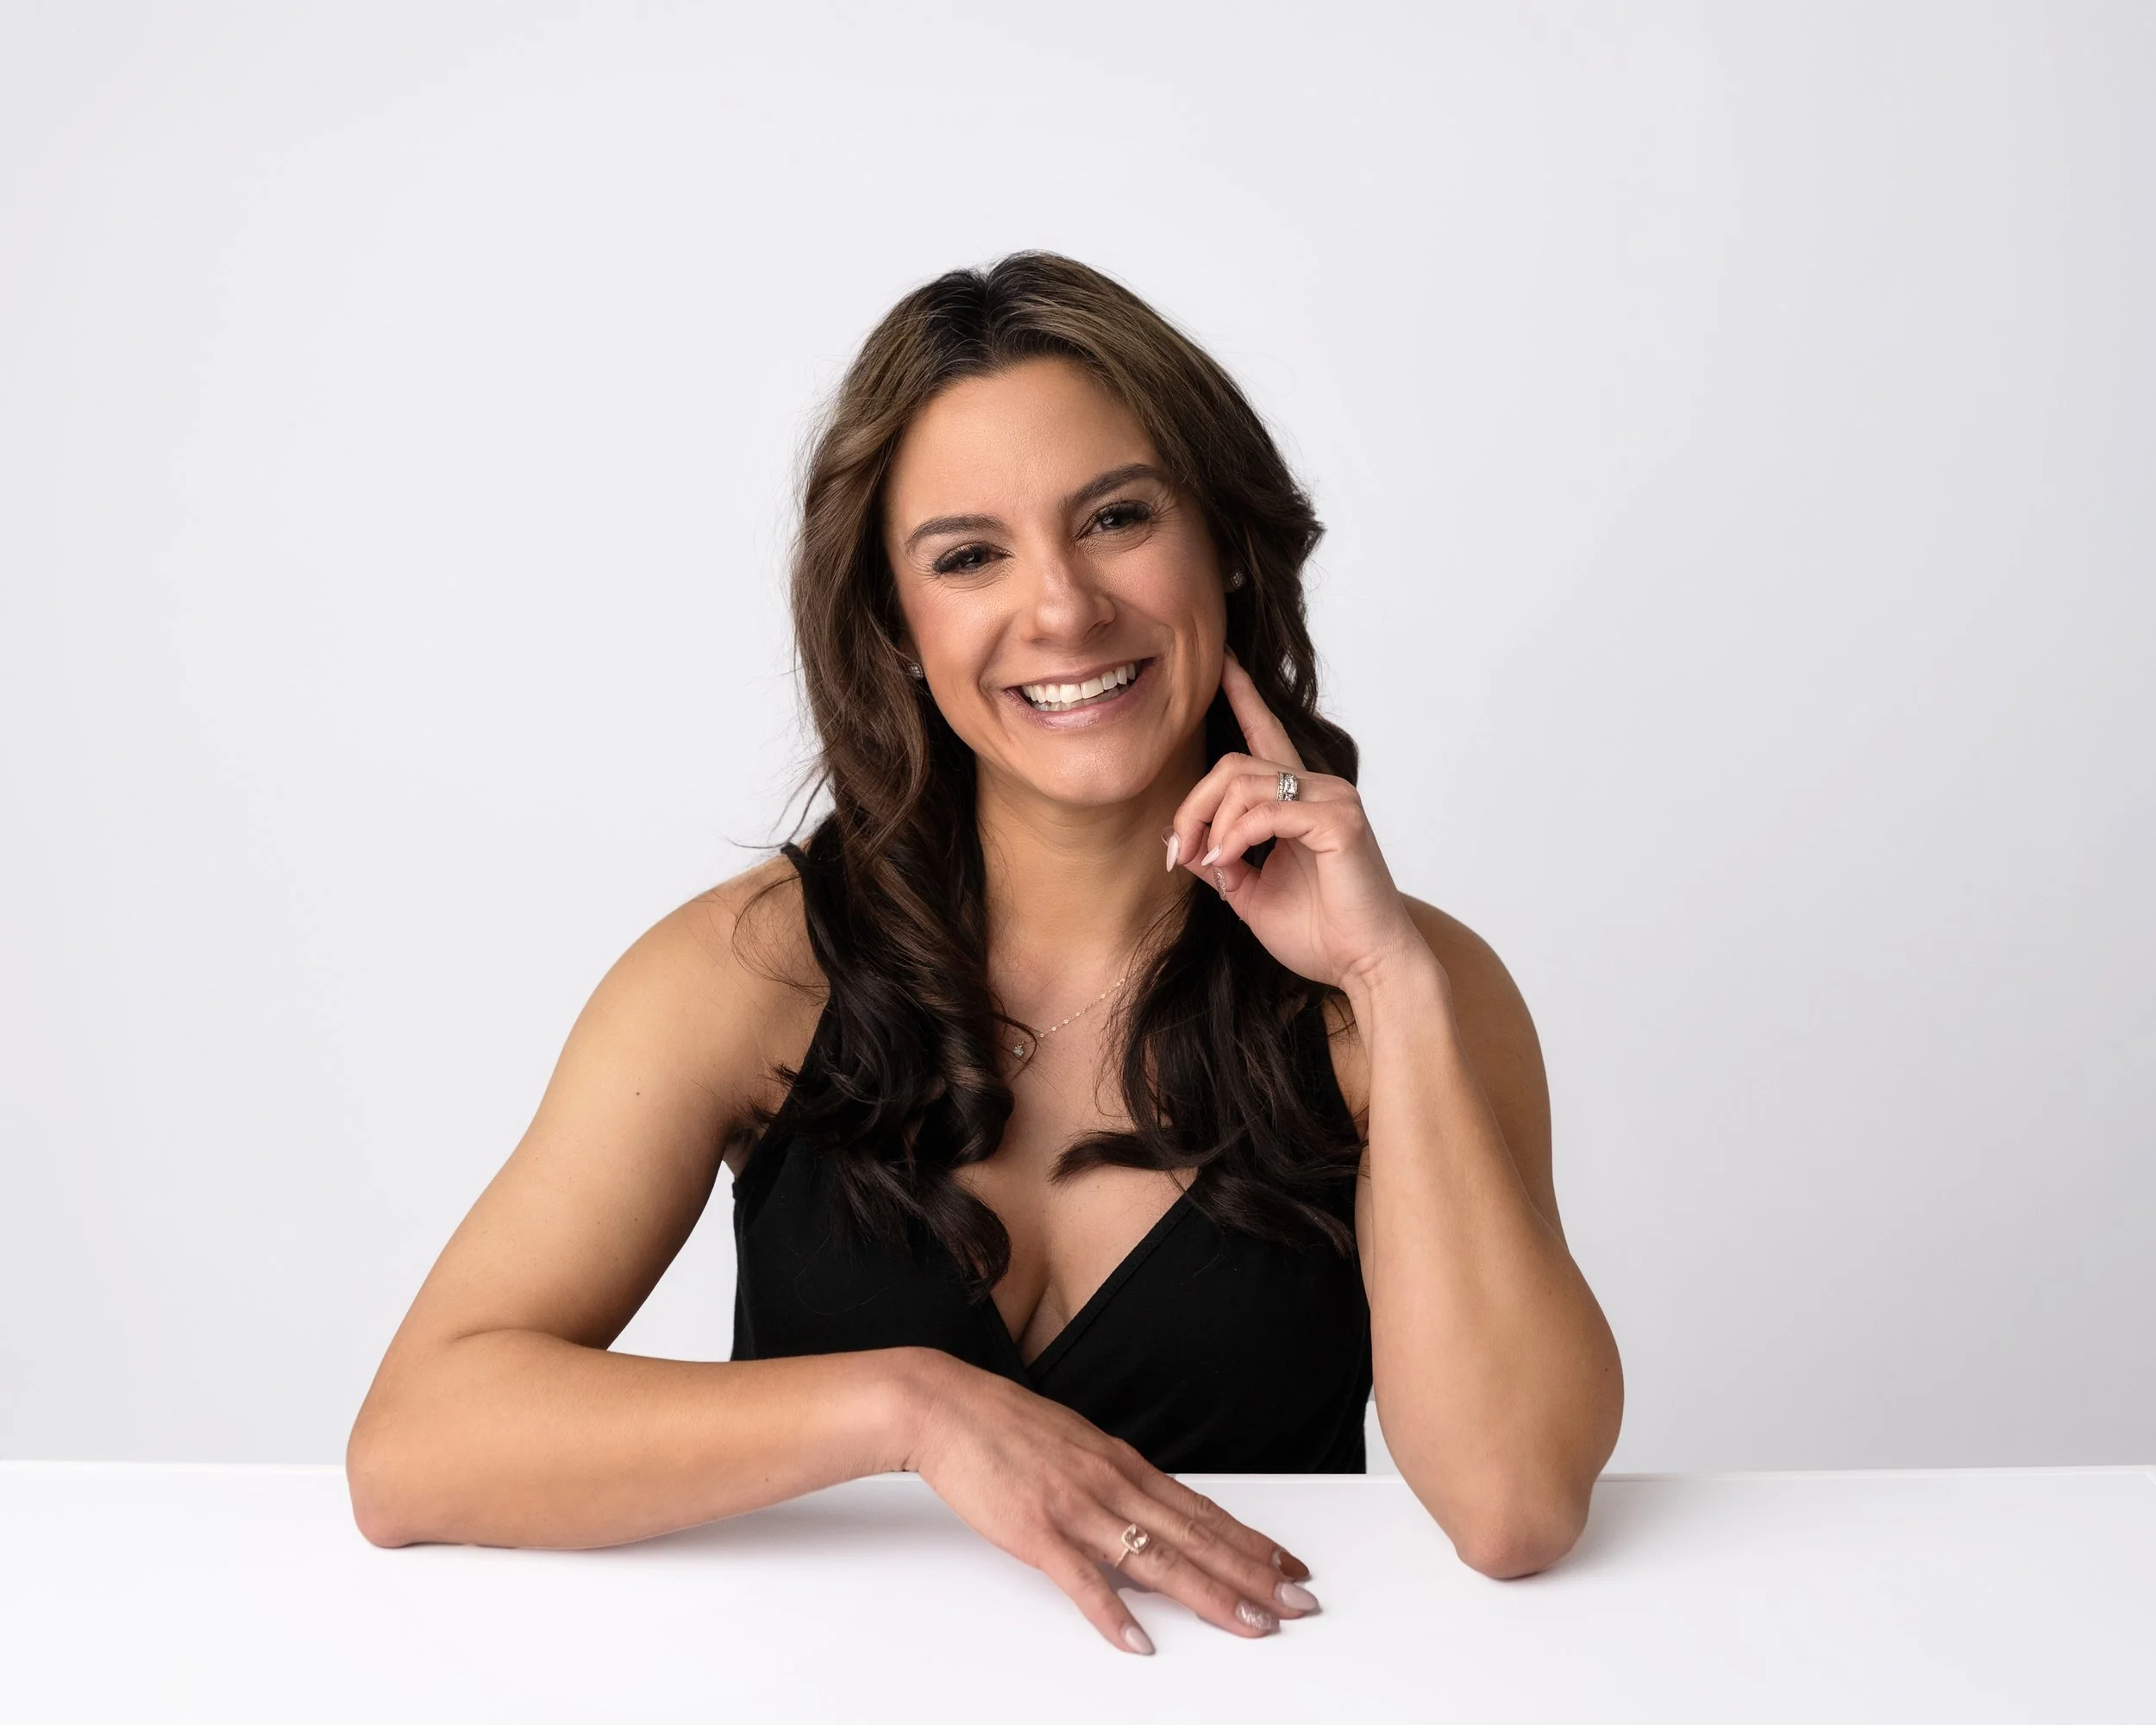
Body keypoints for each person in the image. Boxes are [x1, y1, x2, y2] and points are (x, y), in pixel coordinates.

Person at [346, 252, 1624, 1657]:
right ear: (896, 627)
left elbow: (1514, 1506)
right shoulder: (748, 976)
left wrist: (1388, 984)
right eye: (970, 555)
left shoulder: (1409, 992)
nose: (1065, 609)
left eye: (1119, 519)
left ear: (1227, 544)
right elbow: (417, 1446)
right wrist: (912, 1407)